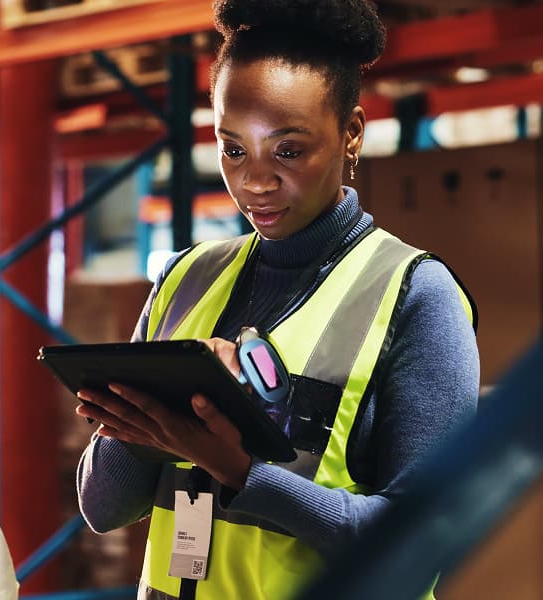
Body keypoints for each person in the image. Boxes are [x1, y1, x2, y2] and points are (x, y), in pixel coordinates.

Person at [75, 1, 480, 599]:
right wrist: (141, 427)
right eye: (233, 149)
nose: (254, 183)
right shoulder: (185, 279)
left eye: (287, 150)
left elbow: (425, 544)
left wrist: (240, 470)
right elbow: (104, 509)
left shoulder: (416, 297)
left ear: (351, 134)